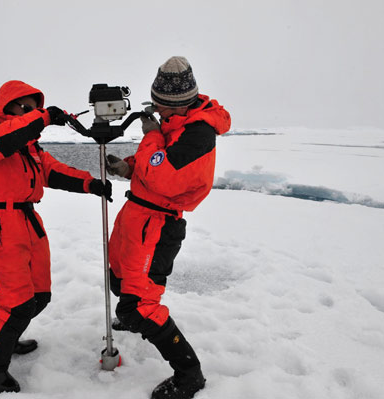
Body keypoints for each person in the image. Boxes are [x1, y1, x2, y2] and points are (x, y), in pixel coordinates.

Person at [0, 80, 112, 394]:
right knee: (14, 303)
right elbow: (4, 140)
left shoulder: (29, 148)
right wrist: (44, 117)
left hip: (28, 222)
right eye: (26, 107)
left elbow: (53, 171)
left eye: (36, 108)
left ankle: (9, 337)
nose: (33, 113)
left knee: (37, 296)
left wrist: (92, 184)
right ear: (7, 107)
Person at [106, 56, 231, 399]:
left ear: (175, 103)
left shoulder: (199, 133)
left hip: (158, 226)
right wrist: (128, 167)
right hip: (138, 217)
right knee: (117, 278)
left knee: (140, 304)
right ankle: (132, 318)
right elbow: (154, 163)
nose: (156, 114)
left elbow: (162, 175)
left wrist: (149, 137)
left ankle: (189, 372)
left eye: (159, 107)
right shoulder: (177, 123)